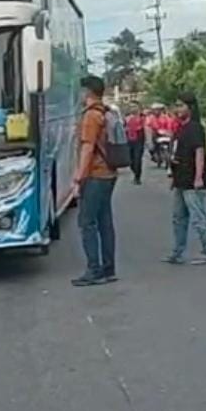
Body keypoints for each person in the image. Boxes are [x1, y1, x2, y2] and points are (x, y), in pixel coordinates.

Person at [71, 75, 119, 287]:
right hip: (109, 173)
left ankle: (94, 269)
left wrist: (78, 177)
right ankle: (109, 269)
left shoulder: (91, 116)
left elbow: (88, 148)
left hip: (95, 174)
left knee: (87, 222)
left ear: (87, 92)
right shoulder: (106, 112)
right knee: (105, 222)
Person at [165, 93, 206, 265]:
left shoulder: (195, 128)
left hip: (192, 179)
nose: (177, 109)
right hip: (180, 178)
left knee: (198, 216)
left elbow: (199, 153)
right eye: (176, 106)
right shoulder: (180, 128)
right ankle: (177, 251)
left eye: (181, 106)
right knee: (178, 217)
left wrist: (198, 177)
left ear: (190, 108)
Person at [124, 102, 146, 185]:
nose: (133, 108)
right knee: (130, 160)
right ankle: (135, 171)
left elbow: (146, 129)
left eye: (135, 107)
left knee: (137, 159)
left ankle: (137, 177)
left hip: (139, 141)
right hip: (129, 141)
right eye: (131, 107)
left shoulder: (142, 118)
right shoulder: (126, 118)